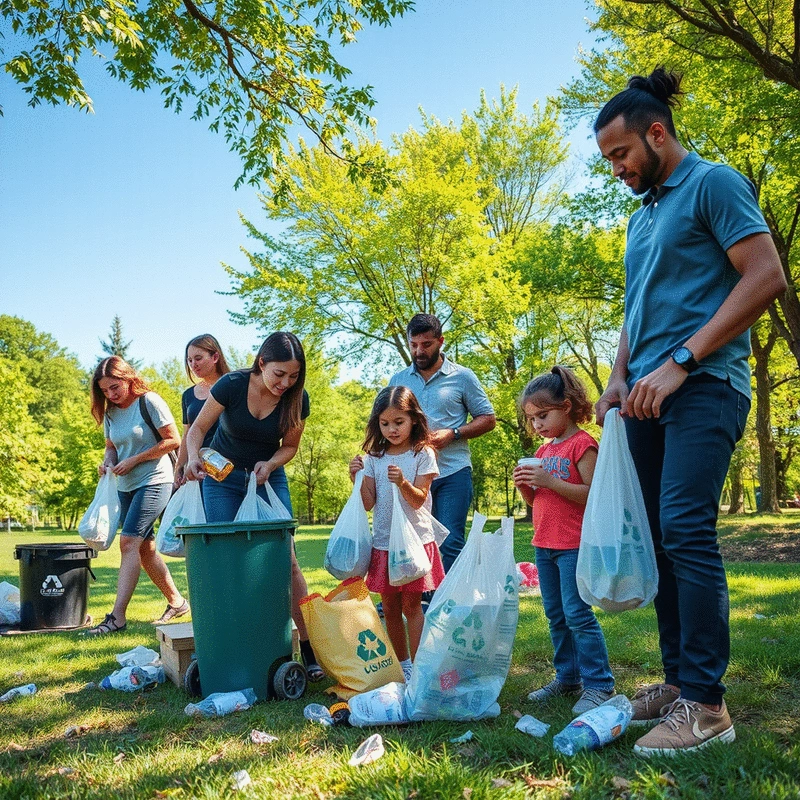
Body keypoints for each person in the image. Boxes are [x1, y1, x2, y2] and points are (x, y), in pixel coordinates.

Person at [594, 68, 787, 755]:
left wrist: (683, 361)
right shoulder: (640, 218)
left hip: (704, 387)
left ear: (656, 133)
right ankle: (679, 683)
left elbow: (766, 275)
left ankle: (707, 707)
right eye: (607, 160)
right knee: (660, 542)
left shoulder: (714, 183)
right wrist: (619, 377)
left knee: (684, 528)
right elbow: (635, 310)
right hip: (645, 398)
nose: (616, 169)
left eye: (621, 155)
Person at [184, 332, 324, 681]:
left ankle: (308, 651)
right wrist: (189, 460)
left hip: (266, 480)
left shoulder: (297, 399)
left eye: (293, 377)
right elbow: (197, 429)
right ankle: (225, 646)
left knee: (287, 564)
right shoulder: (231, 385)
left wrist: (272, 464)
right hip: (223, 479)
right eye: (279, 374)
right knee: (225, 563)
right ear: (261, 363)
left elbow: (289, 445)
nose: (285, 383)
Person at [513, 366, 615, 716]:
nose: (537, 424)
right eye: (531, 419)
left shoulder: (582, 444)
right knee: (556, 615)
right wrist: (527, 485)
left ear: (567, 406)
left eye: (543, 415)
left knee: (577, 615)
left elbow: (593, 494)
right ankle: (568, 677)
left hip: (574, 544)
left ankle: (599, 684)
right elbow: (537, 502)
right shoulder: (543, 453)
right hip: (545, 544)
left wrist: (550, 482)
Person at [86, 356, 189, 635]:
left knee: (129, 542)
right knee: (144, 549)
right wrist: (108, 462)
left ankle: (117, 617)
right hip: (125, 485)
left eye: (114, 387)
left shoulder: (150, 401)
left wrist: (135, 460)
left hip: (156, 479)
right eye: (105, 390)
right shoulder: (110, 413)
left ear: (128, 378)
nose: (110, 394)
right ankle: (177, 602)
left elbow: (173, 440)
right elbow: (111, 446)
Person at [349, 386, 445, 682]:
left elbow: (418, 499)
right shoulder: (374, 457)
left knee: (412, 606)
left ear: (413, 419)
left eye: (399, 422)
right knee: (389, 607)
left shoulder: (423, 453)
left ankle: (419, 667)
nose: (392, 429)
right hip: (383, 543)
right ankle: (402, 665)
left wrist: (403, 482)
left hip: (414, 543)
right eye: (385, 423)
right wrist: (356, 477)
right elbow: (368, 502)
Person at [389, 314, 496, 572]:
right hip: (411, 476)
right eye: (413, 345)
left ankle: (450, 604)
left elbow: (488, 419)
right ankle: (418, 602)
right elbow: (385, 422)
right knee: (411, 541)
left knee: (449, 541)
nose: (418, 351)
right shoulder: (398, 380)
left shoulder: (463, 377)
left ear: (440, 341)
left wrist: (454, 433)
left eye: (426, 344)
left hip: (452, 472)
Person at [174, 334, 231, 488]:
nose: (193, 364)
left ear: (215, 357)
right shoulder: (188, 395)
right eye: (189, 360)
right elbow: (188, 433)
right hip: (200, 466)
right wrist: (179, 467)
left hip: (229, 465)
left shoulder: (234, 386)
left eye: (198, 358)